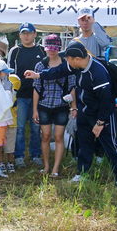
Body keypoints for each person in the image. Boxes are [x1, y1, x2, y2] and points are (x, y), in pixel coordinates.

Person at [25, 41, 117, 189]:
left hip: (102, 114)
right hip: (84, 112)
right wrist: (38, 75)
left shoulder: (98, 73)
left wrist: (100, 123)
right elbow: (59, 71)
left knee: (111, 145)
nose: (66, 62)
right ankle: (82, 174)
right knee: (84, 145)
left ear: (77, 59)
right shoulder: (75, 65)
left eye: (68, 59)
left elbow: (107, 101)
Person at [32, 34, 76, 178]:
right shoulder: (40, 65)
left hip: (61, 105)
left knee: (58, 137)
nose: (52, 51)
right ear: (45, 49)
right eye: (49, 48)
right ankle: (46, 166)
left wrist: (73, 106)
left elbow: (72, 87)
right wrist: (34, 110)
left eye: (55, 48)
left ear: (59, 48)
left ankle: (55, 168)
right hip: (44, 105)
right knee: (45, 136)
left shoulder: (66, 65)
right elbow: (36, 89)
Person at [7, 22, 45, 167]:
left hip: (38, 96)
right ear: (19, 35)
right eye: (23, 33)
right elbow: (9, 74)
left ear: (35, 34)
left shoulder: (42, 50)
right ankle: (19, 156)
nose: (26, 36)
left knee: (36, 128)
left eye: (29, 33)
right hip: (20, 96)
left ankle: (36, 155)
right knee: (20, 128)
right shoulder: (15, 51)